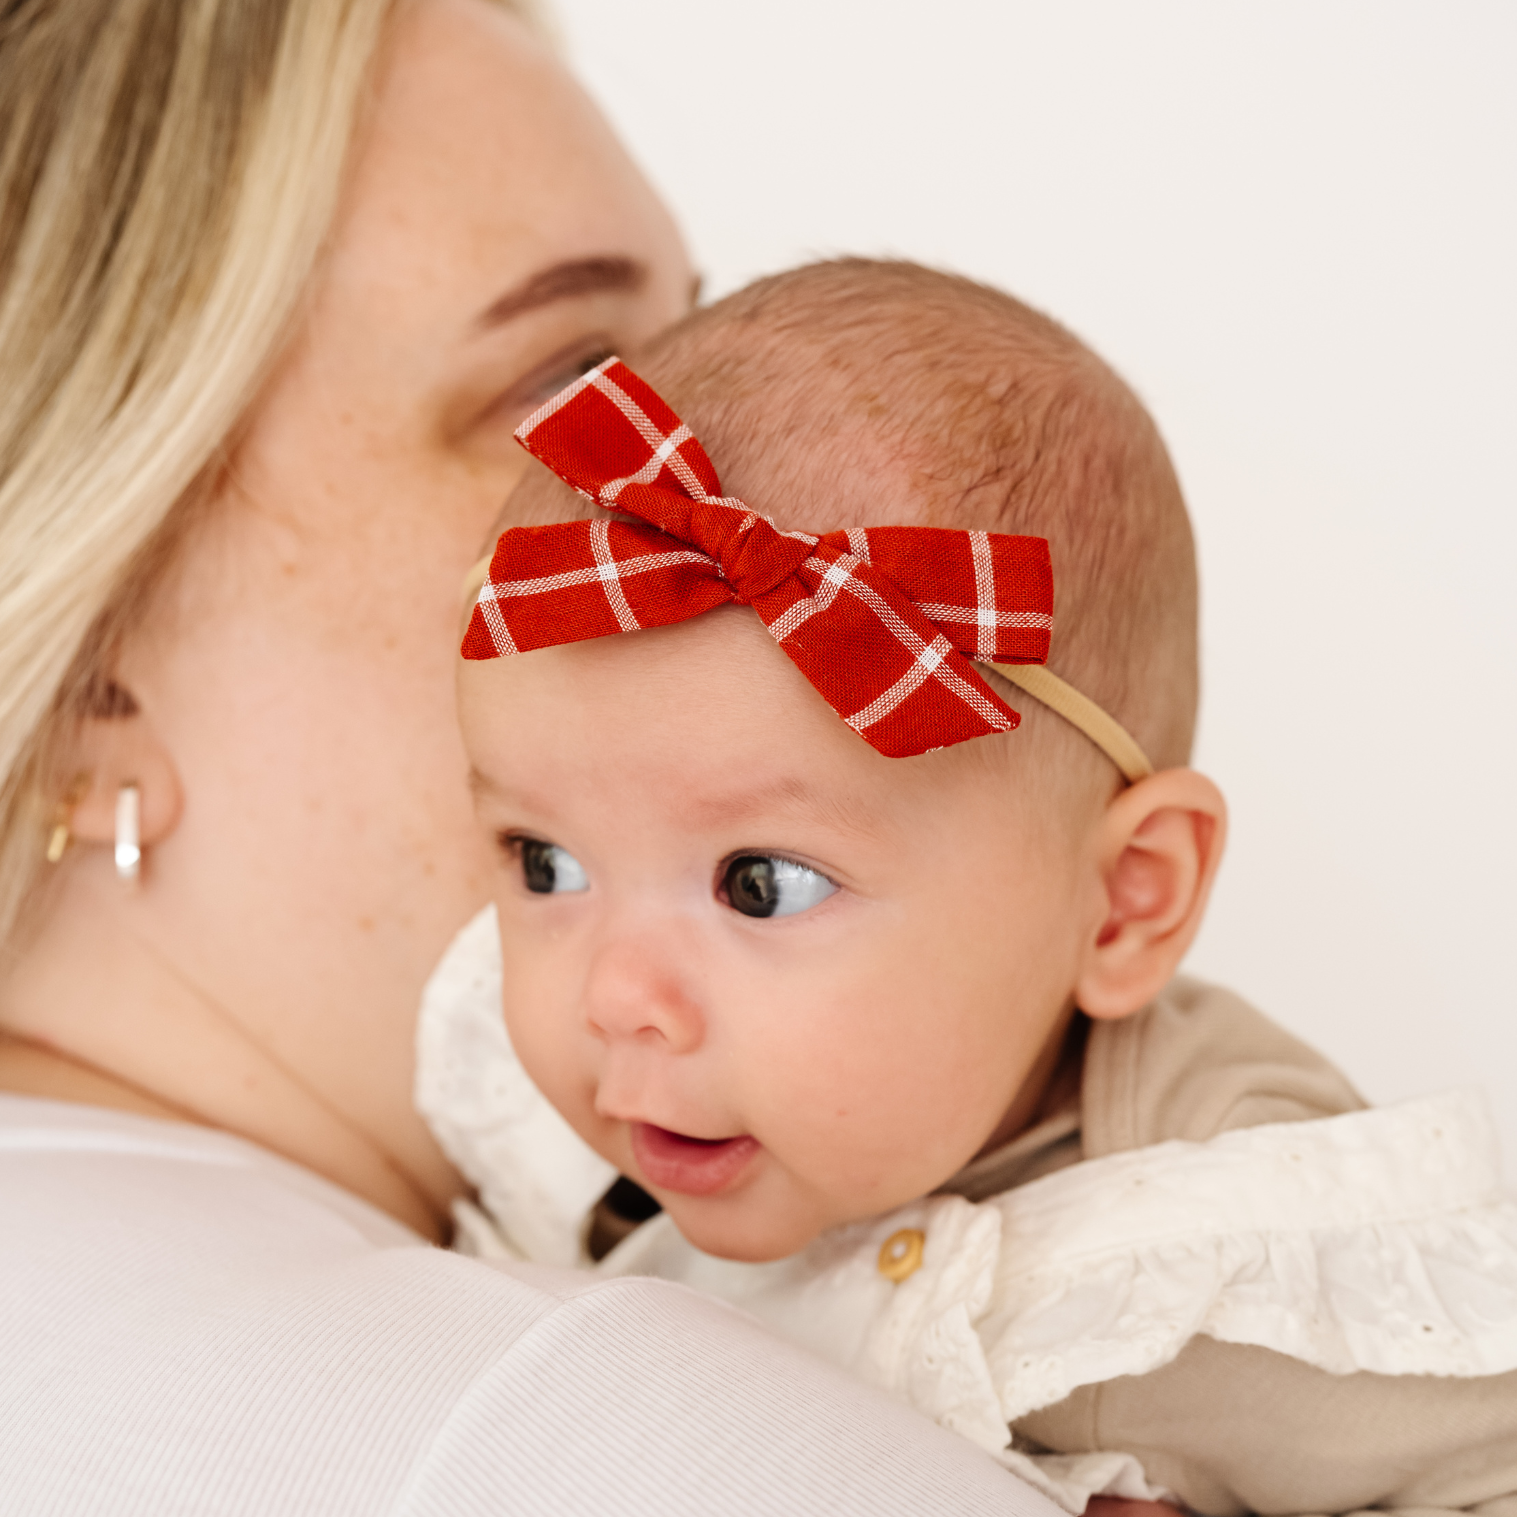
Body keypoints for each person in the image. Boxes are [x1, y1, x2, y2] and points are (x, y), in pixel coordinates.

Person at [0, 6, 1067, 1513]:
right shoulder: (572, 1430)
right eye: (574, 384)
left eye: (698, 349)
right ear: (90, 686)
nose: (758, 501)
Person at [430, 259, 1517, 1514]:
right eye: (545, 862)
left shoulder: (1221, 1246)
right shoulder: (576, 1150)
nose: (616, 995)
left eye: (760, 884)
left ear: (1123, 902)